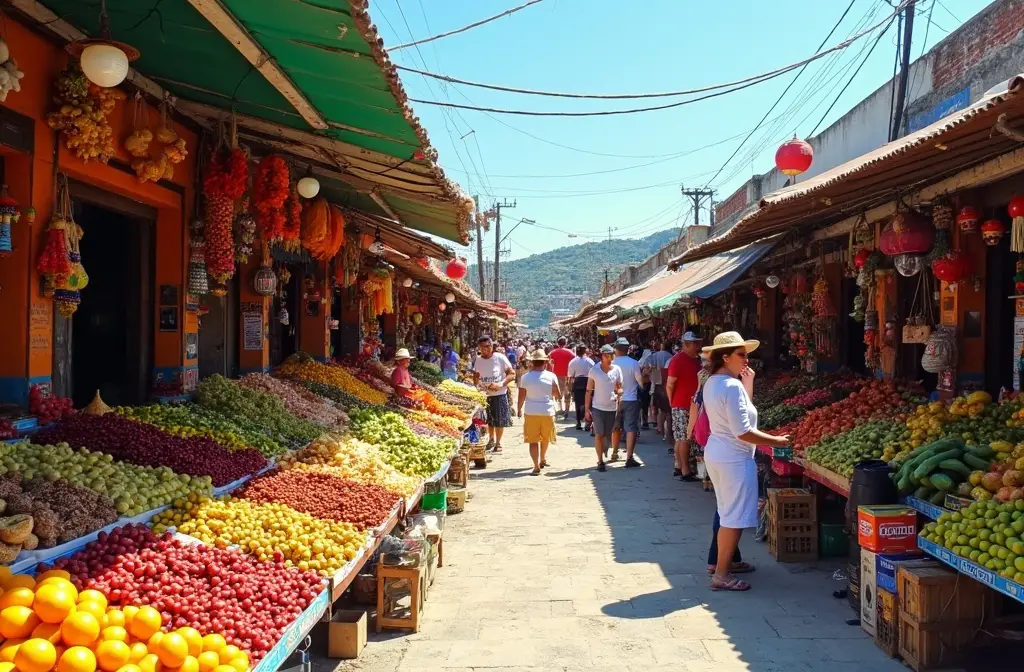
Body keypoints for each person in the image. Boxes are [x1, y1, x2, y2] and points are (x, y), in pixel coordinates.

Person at [701, 331, 789, 592]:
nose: (746, 359)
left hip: (719, 453)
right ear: (725, 357)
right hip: (733, 458)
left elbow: (736, 417)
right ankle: (722, 574)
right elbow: (742, 431)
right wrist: (777, 441)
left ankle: (725, 565)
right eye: (741, 355)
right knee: (733, 518)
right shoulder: (730, 385)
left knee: (727, 513)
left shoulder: (713, 382)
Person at [517, 349, 561, 475]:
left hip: (531, 411)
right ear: (545, 363)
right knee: (545, 438)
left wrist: (519, 408)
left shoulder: (525, 377)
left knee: (533, 440)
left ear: (532, 363)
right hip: (547, 411)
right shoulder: (551, 376)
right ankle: (542, 459)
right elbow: (557, 394)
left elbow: (521, 395)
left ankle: (536, 466)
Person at [666, 332, 703, 482]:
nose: (697, 346)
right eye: (695, 343)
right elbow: (669, 384)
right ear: (687, 344)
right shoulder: (678, 360)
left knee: (683, 438)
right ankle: (685, 470)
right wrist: (672, 402)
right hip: (682, 404)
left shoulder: (697, 360)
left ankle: (679, 465)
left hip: (692, 404)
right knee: (684, 438)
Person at [472, 336, 516, 452]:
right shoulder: (478, 359)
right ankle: (491, 439)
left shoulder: (500, 358)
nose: (485, 349)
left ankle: (498, 443)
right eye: (482, 347)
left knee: (499, 420)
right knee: (489, 420)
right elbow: (476, 375)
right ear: (479, 348)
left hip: (499, 394)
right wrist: (477, 387)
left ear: (492, 347)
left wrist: (501, 384)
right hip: (485, 395)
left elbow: (512, 374)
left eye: (487, 346)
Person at [585, 345, 622, 472]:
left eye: (611, 355)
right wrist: (586, 409)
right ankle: (600, 460)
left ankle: (604, 451)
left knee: (607, 435)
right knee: (599, 434)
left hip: (612, 407)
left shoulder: (617, 369)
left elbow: (619, 387)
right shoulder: (594, 370)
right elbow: (589, 390)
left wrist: (619, 394)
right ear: (602, 356)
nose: (609, 357)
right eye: (606, 355)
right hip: (597, 407)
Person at [610, 337, 645, 467]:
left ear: (615, 349)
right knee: (631, 428)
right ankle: (629, 457)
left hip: (615, 399)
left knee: (615, 426)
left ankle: (614, 451)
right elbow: (640, 381)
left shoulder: (611, 363)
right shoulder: (633, 363)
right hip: (631, 399)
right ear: (627, 349)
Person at [650, 340, 675, 444]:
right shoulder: (671, 357)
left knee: (661, 410)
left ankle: (661, 429)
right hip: (667, 386)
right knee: (668, 413)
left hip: (658, 385)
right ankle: (668, 434)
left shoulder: (654, 356)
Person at [567, 345, 595, 431]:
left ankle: (578, 422)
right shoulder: (589, 361)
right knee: (589, 403)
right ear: (585, 351)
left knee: (578, 404)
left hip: (578, 382)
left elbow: (571, 376)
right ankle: (588, 422)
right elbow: (594, 373)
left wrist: (570, 387)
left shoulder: (573, 362)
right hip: (588, 382)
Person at [548, 337, 575, 418]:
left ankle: (560, 409)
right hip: (567, 376)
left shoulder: (552, 352)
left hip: (556, 375)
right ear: (566, 343)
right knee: (568, 393)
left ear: (557, 343)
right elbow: (574, 362)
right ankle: (566, 410)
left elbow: (548, 362)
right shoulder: (570, 353)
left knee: (558, 393)